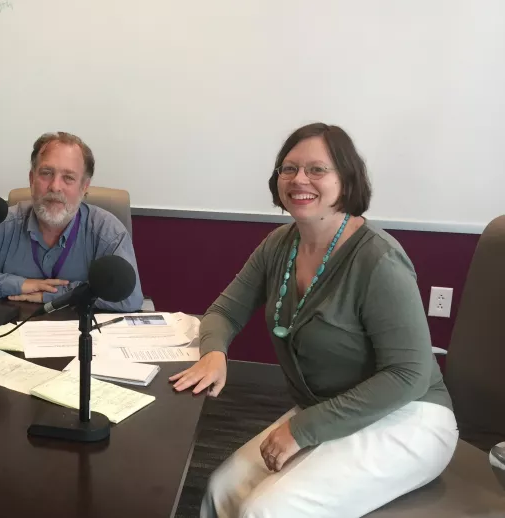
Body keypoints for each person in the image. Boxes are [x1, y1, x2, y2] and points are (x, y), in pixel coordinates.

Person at [171, 123, 457, 517]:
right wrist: (214, 352)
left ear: (347, 179)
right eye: (288, 169)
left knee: (267, 510)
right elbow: (224, 311)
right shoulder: (279, 245)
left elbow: (409, 375)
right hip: (328, 410)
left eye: (317, 170)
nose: (299, 179)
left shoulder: (380, 260)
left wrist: (303, 429)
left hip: (410, 417)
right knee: (221, 491)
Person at [0, 131, 144, 312]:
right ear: (31, 179)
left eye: (68, 178)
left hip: (81, 339)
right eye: (46, 173)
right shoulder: (2, 223)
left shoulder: (107, 231)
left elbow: (130, 297)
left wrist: (53, 294)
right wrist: (19, 284)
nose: (55, 186)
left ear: (84, 187)